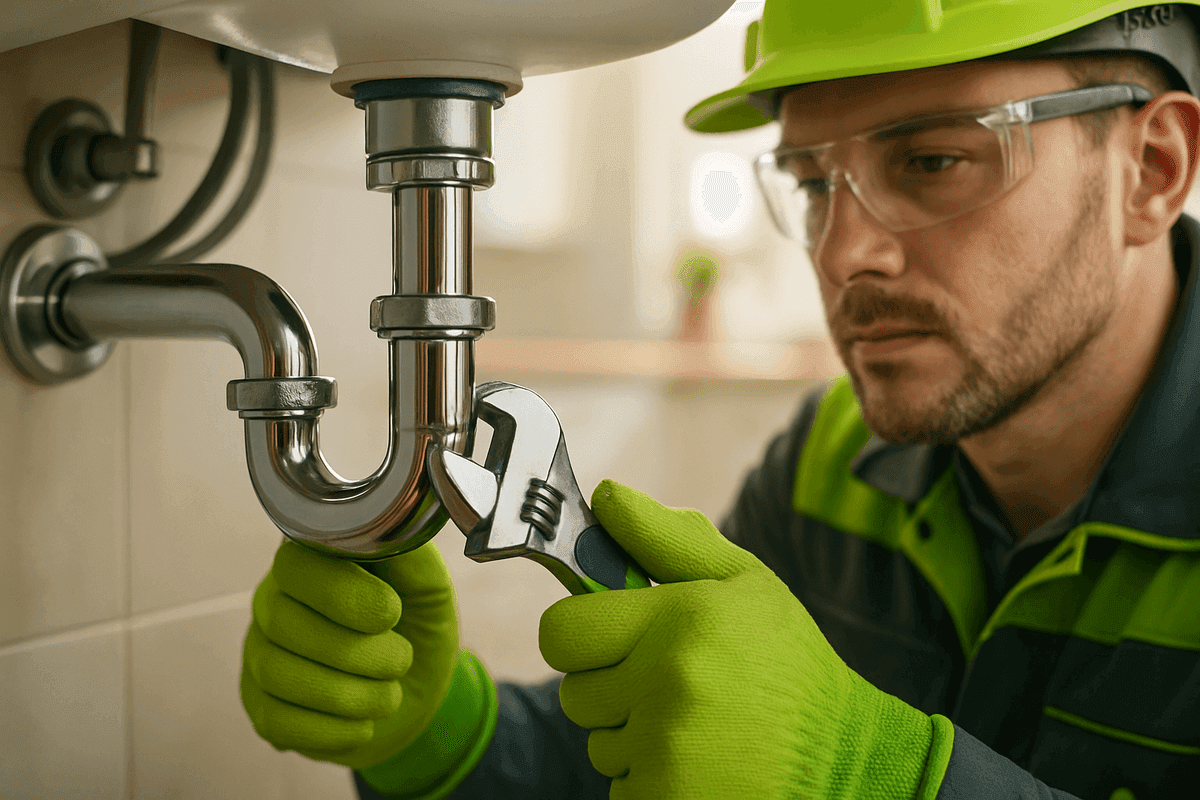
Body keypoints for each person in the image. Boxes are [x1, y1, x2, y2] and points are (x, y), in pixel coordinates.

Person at [239, 2, 1200, 797]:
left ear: (1151, 172)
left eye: (932, 161)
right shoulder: (832, 461)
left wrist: (875, 775)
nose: (840, 253)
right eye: (814, 182)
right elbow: (675, 755)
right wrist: (443, 729)